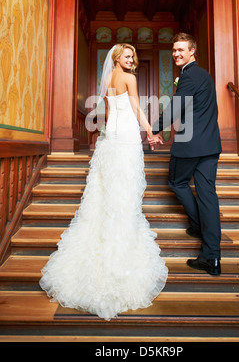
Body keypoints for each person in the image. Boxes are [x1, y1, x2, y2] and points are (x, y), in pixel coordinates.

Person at [40, 43, 168, 320]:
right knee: (126, 186)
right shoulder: (130, 78)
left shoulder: (108, 78)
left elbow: (109, 113)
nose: (131, 59)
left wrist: (111, 132)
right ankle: (120, 248)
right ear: (116, 58)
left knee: (108, 189)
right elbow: (135, 106)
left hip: (112, 134)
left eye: (132, 56)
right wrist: (149, 132)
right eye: (127, 56)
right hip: (127, 135)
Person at [150, 33, 222, 276]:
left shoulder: (189, 76)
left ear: (193, 51)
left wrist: (153, 131)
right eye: (174, 50)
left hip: (191, 145)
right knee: (207, 196)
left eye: (181, 50)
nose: (176, 54)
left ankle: (198, 225)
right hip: (210, 144)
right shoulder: (204, 76)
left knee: (177, 182)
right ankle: (211, 258)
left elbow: (174, 110)